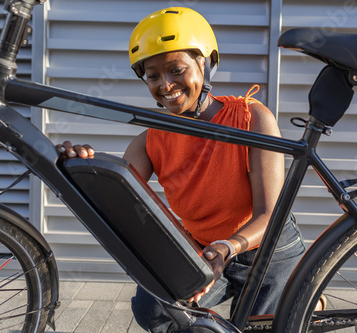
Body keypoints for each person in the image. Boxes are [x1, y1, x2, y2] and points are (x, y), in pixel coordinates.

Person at [57, 7, 306, 332]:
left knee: (261, 326)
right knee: (154, 310)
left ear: (205, 63)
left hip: (266, 251)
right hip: (204, 251)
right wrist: (80, 166)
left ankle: (303, 298)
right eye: (153, 75)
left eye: (176, 69)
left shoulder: (252, 120)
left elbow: (269, 213)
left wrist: (227, 247)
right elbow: (114, 196)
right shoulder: (150, 141)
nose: (166, 84)